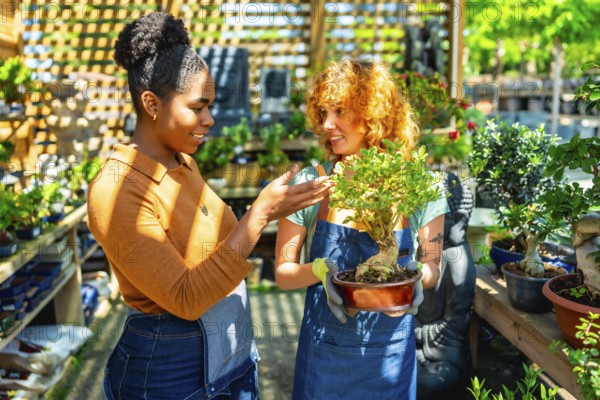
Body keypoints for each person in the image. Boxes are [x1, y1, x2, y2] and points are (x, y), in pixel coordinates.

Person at [87, 12, 331, 400]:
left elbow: (216, 248)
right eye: (198, 107)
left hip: (228, 358)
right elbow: (185, 297)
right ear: (151, 103)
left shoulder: (183, 164)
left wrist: (274, 207)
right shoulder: (116, 190)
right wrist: (259, 214)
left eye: (210, 106)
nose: (210, 118)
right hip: (170, 371)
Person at [274, 59, 449, 399]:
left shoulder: (420, 186)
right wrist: (320, 269)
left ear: (373, 113)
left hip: (390, 361)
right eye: (323, 112)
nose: (327, 124)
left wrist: (417, 275)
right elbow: (283, 273)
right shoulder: (312, 184)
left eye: (340, 111)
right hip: (325, 358)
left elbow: (433, 266)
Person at [415, 171, 476, 399]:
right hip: (415, 340)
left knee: (430, 384)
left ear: (460, 219)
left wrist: (418, 334)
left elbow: (454, 328)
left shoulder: (457, 259)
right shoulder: (425, 248)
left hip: (443, 351)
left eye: (444, 217)